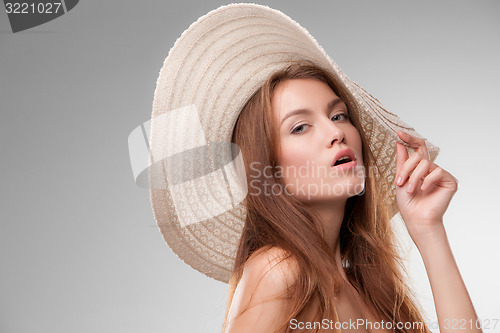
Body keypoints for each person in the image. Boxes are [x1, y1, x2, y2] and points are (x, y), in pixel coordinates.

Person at [146, 3, 481, 333]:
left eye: (338, 116)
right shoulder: (278, 270)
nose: (336, 133)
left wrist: (428, 230)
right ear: (268, 168)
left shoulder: (369, 288)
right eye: (300, 127)